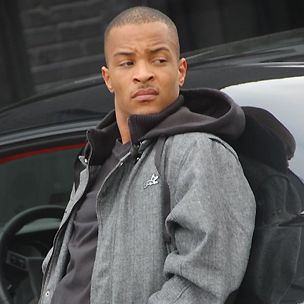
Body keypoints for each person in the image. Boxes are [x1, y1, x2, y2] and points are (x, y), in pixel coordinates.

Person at [39, 6, 255, 304]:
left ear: (180, 71)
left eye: (158, 59)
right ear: (108, 78)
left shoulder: (197, 152)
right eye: (127, 63)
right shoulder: (95, 159)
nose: (143, 74)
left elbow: (204, 279)